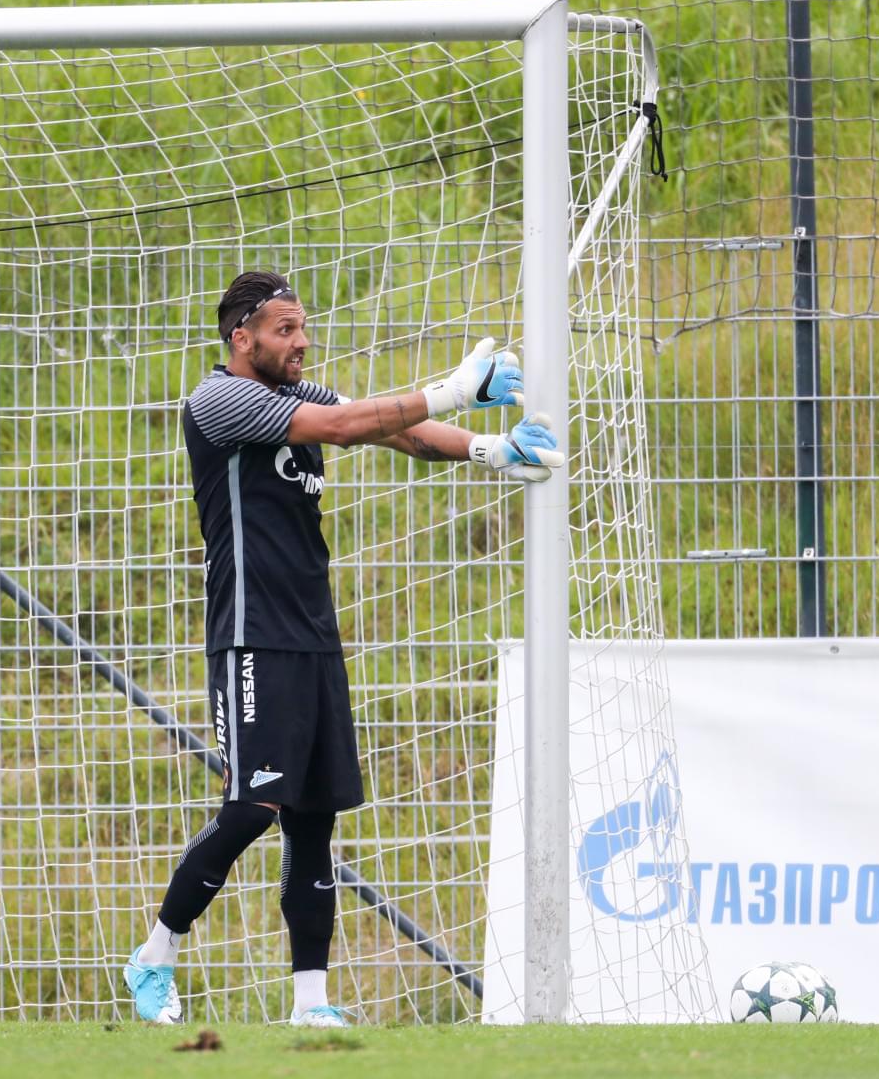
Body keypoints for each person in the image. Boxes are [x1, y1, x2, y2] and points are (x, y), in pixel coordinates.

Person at [123, 270, 565, 1027]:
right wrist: (456, 387)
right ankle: (154, 957)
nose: (301, 341)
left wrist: (489, 449)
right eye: (285, 330)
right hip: (251, 636)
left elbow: (389, 428)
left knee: (315, 818)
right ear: (243, 338)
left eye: (303, 327)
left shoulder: (301, 393)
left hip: (313, 638)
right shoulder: (218, 400)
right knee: (252, 806)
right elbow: (339, 428)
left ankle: (311, 1005)